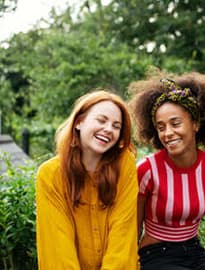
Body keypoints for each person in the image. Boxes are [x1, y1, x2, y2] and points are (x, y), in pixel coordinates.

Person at [128, 71, 205, 270]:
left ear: (195, 123)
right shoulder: (147, 170)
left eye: (175, 123)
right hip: (156, 255)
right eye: (161, 127)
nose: (168, 133)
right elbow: (132, 231)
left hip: (194, 251)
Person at [36, 89, 138, 269]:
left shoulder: (125, 166)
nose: (108, 129)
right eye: (101, 120)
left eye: (116, 126)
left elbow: (122, 237)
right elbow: (57, 247)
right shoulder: (50, 175)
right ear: (79, 122)